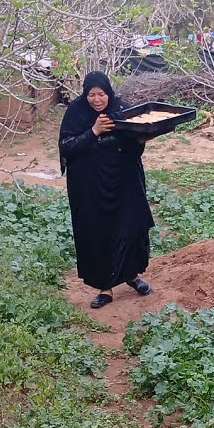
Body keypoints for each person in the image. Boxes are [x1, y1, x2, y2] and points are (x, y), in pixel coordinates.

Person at [59, 72, 154, 309]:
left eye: (101, 94)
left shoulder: (123, 109)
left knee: (130, 227)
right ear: (85, 94)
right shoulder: (76, 112)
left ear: (108, 93)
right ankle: (105, 288)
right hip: (89, 186)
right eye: (91, 94)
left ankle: (132, 276)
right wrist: (94, 131)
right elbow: (66, 146)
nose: (96, 99)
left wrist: (140, 140)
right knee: (97, 233)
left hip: (123, 182)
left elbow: (133, 148)